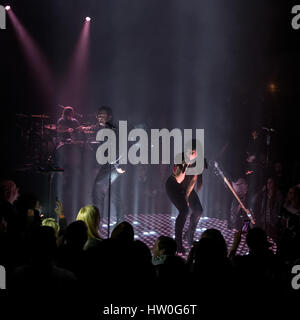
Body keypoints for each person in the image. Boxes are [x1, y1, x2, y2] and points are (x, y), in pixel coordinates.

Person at [86, 106, 125, 225]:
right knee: (114, 194)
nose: (100, 118)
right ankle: (119, 221)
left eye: (103, 116)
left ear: (109, 117)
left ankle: (98, 220)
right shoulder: (104, 129)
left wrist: (117, 166)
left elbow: (116, 149)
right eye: (99, 115)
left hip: (113, 165)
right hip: (111, 164)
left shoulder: (111, 130)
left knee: (99, 191)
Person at [165, 139, 204, 253]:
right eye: (191, 151)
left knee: (198, 210)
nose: (193, 154)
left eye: (195, 152)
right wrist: (186, 163)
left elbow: (193, 180)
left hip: (186, 188)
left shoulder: (199, 161)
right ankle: (178, 244)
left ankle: (189, 234)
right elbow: (178, 179)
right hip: (173, 187)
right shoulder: (180, 158)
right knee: (184, 211)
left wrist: (187, 196)